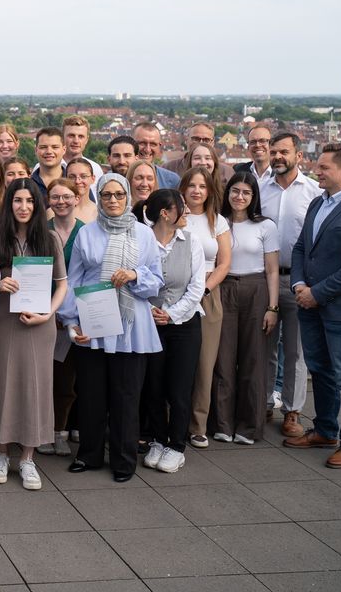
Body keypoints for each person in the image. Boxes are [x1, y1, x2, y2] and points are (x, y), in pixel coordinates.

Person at [62, 173, 163, 483]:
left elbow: (156, 282)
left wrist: (134, 275)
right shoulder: (86, 234)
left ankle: (123, 459)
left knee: (127, 396)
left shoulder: (144, 235)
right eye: (106, 195)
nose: (113, 200)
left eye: (119, 194)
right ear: (98, 197)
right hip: (93, 323)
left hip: (131, 326)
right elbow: (73, 280)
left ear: (128, 196)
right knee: (91, 394)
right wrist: (70, 321)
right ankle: (89, 454)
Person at [0, 180, 68, 490]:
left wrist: (48, 313)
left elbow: (62, 284)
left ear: (37, 205)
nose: (23, 207)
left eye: (29, 201)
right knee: (4, 384)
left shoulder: (49, 239)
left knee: (36, 386)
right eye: (17, 201)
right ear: (9, 205)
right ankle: (2, 453)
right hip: (4, 319)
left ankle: (28, 458)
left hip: (39, 321)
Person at [286, 142, 341, 468]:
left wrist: (318, 293)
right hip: (310, 304)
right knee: (321, 371)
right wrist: (299, 284)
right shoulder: (319, 203)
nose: (316, 171)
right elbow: (303, 248)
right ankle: (326, 430)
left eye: (323, 167)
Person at [135, 189, 205, 474]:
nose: (186, 212)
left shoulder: (192, 241)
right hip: (148, 323)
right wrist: (149, 311)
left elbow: (197, 286)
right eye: (182, 208)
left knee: (178, 389)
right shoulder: (141, 240)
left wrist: (172, 314)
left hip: (184, 325)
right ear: (166, 213)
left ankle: (176, 445)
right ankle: (157, 439)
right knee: (153, 386)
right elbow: (133, 277)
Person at [212, 171, 279, 444]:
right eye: (235, 191)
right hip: (223, 288)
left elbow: (273, 270)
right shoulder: (217, 222)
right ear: (227, 194)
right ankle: (222, 424)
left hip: (256, 291)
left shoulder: (265, 226)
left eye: (246, 193)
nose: (240, 196)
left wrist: (272, 308)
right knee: (223, 359)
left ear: (253, 197)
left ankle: (249, 427)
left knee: (253, 359)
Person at [259, 132, 318, 438]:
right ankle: (265, 401)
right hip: (263, 278)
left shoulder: (313, 191)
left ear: (298, 155)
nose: (278, 156)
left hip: (298, 280)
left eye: (284, 151)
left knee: (295, 351)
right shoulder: (259, 189)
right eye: (274, 151)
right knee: (264, 345)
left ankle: (292, 412)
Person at [180, 166, 233, 449]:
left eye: (202, 186)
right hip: (176, 293)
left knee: (204, 362)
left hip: (207, 293)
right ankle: (170, 421)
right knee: (175, 361)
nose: (197, 191)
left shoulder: (218, 221)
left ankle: (197, 425)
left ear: (210, 190)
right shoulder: (175, 217)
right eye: (192, 185)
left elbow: (224, 262)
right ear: (183, 188)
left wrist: (206, 288)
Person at [42, 177, 85, 456]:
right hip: (42, 313)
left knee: (66, 380)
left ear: (77, 199)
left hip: (76, 316)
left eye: (67, 196)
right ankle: (41, 431)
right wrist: (49, 310)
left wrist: (69, 313)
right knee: (42, 377)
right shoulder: (40, 231)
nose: (61, 202)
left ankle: (59, 431)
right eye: (55, 197)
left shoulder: (87, 233)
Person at [168, 121, 234, 179]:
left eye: (206, 140)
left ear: (213, 143)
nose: (201, 143)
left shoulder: (227, 173)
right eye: (196, 139)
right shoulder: (169, 168)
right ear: (187, 140)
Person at [131, 122, 181, 189]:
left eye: (153, 144)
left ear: (159, 146)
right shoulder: (119, 177)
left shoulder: (172, 181)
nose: (147, 150)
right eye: (142, 143)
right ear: (131, 144)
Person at [61, 115, 104, 181]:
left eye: (81, 136)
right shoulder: (44, 168)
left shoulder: (95, 169)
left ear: (86, 140)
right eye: (71, 136)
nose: (76, 141)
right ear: (62, 137)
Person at [29, 127, 66, 193]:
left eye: (55, 147)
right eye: (43, 147)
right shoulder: (27, 184)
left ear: (64, 150)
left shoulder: (75, 182)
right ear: (36, 150)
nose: (49, 151)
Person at [66, 158, 98, 223]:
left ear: (93, 179)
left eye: (83, 176)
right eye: (72, 177)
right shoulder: (54, 211)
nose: (77, 181)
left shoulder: (100, 213)